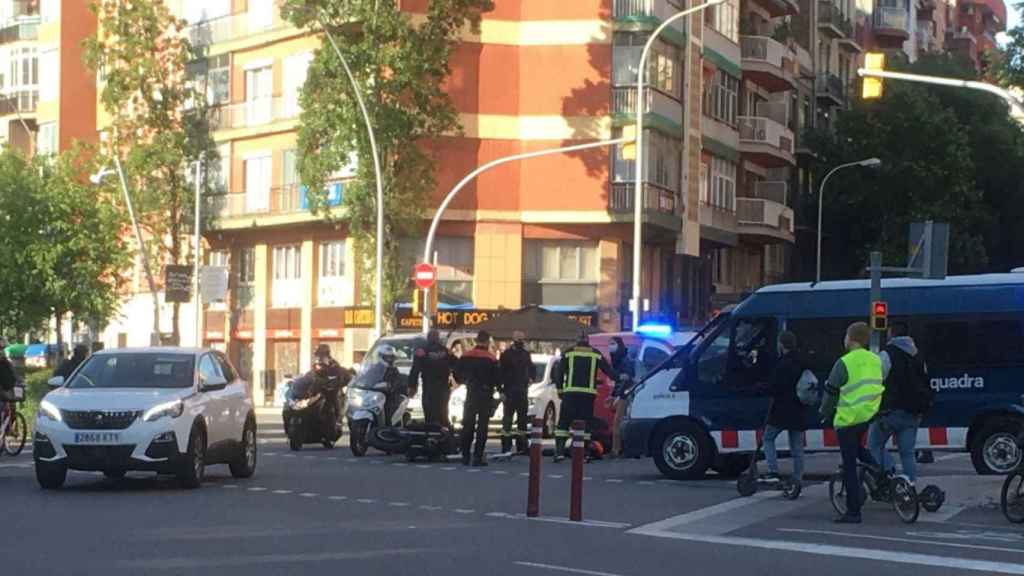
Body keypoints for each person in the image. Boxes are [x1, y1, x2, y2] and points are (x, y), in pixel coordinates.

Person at [820, 322, 884, 524]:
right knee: (858, 449)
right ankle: (881, 475)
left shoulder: (844, 362)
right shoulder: (875, 360)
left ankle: (853, 511)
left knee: (849, 465)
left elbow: (831, 391)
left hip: (848, 418)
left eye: (846, 335)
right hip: (867, 415)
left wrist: (824, 412)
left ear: (851, 338)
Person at [868, 322, 929, 484]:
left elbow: (876, 380)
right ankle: (909, 488)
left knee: (874, 445)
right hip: (913, 412)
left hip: (891, 411)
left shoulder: (887, 354)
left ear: (891, 334)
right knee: (907, 453)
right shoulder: (917, 355)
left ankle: (889, 476)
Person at [553, 332, 616, 463]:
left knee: (564, 423)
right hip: (588, 395)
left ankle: (559, 452)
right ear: (588, 341)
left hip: (570, 394)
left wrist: (560, 389)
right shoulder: (595, 354)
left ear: (577, 341)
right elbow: (608, 371)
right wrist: (620, 378)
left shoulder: (568, 353)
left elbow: (559, 373)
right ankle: (584, 453)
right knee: (585, 424)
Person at [763, 331, 806, 483]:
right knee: (797, 448)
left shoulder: (782, 364)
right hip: (799, 409)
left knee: (768, 438)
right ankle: (798, 478)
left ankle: (773, 471)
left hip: (781, 409)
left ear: (781, 345)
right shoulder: (802, 362)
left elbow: (774, 387)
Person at [454, 330, 501, 466]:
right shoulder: (491, 358)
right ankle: (478, 457)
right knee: (482, 426)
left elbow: (456, 373)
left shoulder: (466, 355)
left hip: (471, 392)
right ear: (487, 342)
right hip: (485, 393)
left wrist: (464, 381)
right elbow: (498, 378)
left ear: (476, 341)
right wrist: (499, 389)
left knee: (468, 424)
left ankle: (465, 455)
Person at [409, 329, 456, 428]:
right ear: (438, 338)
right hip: (443, 388)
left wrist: (412, 386)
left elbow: (415, 370)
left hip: (429, 387)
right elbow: (456, 364)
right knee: (443, 413)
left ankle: (431, 436)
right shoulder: (445, 351)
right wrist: (457, 380)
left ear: (428, 338)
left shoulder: (422, 351)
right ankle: (444, 436)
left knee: (429, 415)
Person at [499, 330, 536, 454]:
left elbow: (532, 368)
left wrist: (531, 378)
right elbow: (500, 373)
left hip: (522, 391)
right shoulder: (506, 355)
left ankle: (522, 446)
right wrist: (501, 390)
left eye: (522, 340)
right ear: (514, 340)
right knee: (507, 421)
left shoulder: (525, 355)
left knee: (522, 421)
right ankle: (506, 446)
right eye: (518, 340)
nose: (520, 342)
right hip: (509, 391)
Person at [608, 336, 635, 458]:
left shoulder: (624, 360)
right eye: (610, 344)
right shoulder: (618, 359)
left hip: (625, 395)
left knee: (617, 423)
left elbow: (627, 380)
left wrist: (619, 395)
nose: (610, 346)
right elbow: (619, 380)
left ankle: (616, 450)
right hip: (622, 394)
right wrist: (613, 395)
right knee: (620, 423)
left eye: (613, 343)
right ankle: (621, 449)